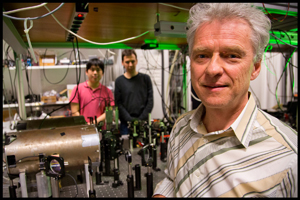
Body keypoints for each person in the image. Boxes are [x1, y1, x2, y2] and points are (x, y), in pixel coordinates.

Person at [153, 3, 297, 198]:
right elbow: (172, 180)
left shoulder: (289, 159)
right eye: (202, 55)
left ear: (255, 67)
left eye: (231, 56)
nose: (212, 69)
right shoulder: (181, 128)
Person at [114, 49, 154, 135]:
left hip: (143, 123)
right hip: (125, 124)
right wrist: (130, 120)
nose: (130, 65)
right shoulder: (119, 81)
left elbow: (150, 102)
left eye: (133, 61)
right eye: (127, 62)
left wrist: (140, 120)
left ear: (136, 61)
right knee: (126, 147)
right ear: (122, 63)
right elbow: (118, 104)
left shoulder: (145, 79)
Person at [70, 58, 114, 127]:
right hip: (82, 129)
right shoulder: (77, 89)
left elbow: (109, 113)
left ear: (102, 73)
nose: (95, 73)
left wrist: (93, 123)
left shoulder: (108, 91)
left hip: (101, 131)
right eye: (92, 70)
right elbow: (74, 112)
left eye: (98, 70)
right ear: (86, 72)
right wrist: (85, 124)